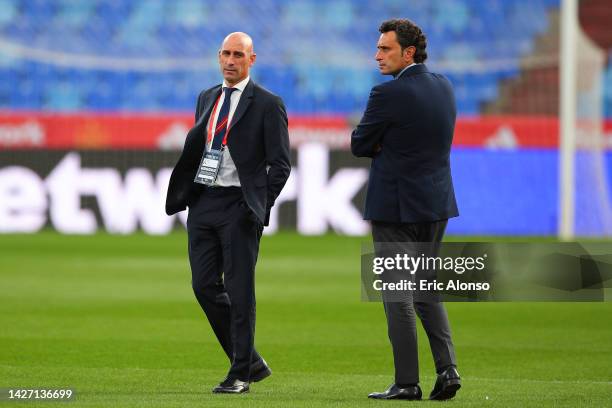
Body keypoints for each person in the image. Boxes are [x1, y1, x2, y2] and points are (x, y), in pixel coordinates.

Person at [165, 32, 291, 394]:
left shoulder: (268, 104)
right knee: (203, 285)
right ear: (218, 57)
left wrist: (257, 206)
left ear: (252, 60)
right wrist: (192, 195)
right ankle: (250, 360)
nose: (230, 60)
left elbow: (281, 165)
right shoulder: (207, 96)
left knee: (239, 290)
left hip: (239, 205)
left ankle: (239, 374)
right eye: (225, 53)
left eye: (238, 54)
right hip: (204, 202)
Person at [351, 19, 461, 401]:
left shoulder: (388, 95)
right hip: (436, 204)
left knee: (398, 295)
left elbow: (360, 143)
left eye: (385, 49)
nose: (377, 55)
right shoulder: (445, 87)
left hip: (396, 207)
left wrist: (384, 145)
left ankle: (406, 382)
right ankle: (448, 370)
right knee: (427, 288)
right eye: (378, 47)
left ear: (408, 52)